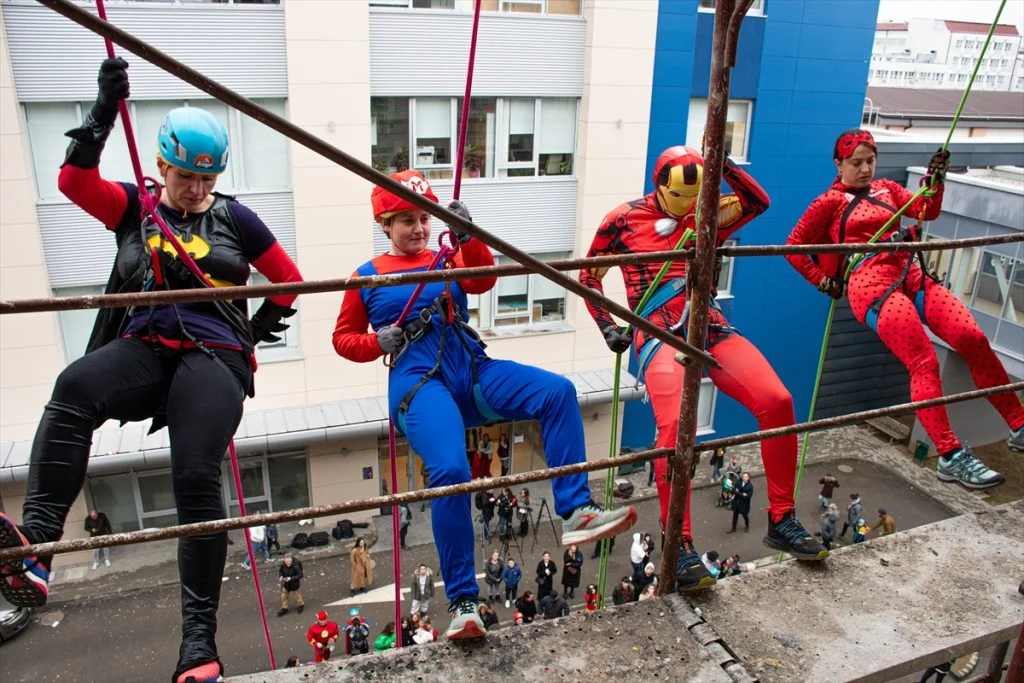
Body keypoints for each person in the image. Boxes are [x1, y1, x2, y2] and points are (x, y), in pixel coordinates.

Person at [0, 59, 303, 683]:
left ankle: (199, 647)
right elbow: (74, 181)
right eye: (187, 176)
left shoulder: (235, 219)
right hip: (148, 342)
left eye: (208, 176)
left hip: (214, 353)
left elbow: (289, 280)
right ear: (164, 166)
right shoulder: (134, 208)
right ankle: (36, 549)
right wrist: (103, 111)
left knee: (194, 472)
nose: (197, 189)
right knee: (74, 387)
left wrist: (258, 328)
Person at [332, 170, 636, 638]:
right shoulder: (366, 277)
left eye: (424, 218)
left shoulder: (448, 256)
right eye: (407, 220)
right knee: (452, 473)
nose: (417, 227)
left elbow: (484, 281)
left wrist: (466, 234)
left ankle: (575, 510)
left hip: (469, 366)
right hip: (418, 382)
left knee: (556, 391)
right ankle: (463, 603)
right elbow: (342, 339)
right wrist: (378, 342)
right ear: (386, 225)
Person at [580, 146, 825, 593]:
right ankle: (682, 543)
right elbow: (588, 276)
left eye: (695, 195)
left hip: (708, 323)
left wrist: (724, 166)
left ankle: (782, 518)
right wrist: (606, 326)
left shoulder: (708, 211)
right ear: (659, 187)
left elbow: (758, 203)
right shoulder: (622, 220)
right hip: (657, 331)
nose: (687, 206)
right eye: (679, 196)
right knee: (674, 426)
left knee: (778, 401)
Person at [785, 129, 1024, 488]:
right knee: (923, 360)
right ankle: (950, 455)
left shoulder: (888, 189)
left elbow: (926, 209)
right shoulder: (828, 203)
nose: (865, 169)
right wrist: (823, 280)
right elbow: (794, 245)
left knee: (971, 337)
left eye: (870, 161)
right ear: (839, 164)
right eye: (856, 163)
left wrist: (935, 180)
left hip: (909, 270)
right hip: (869, 282)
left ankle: (1019, 423)